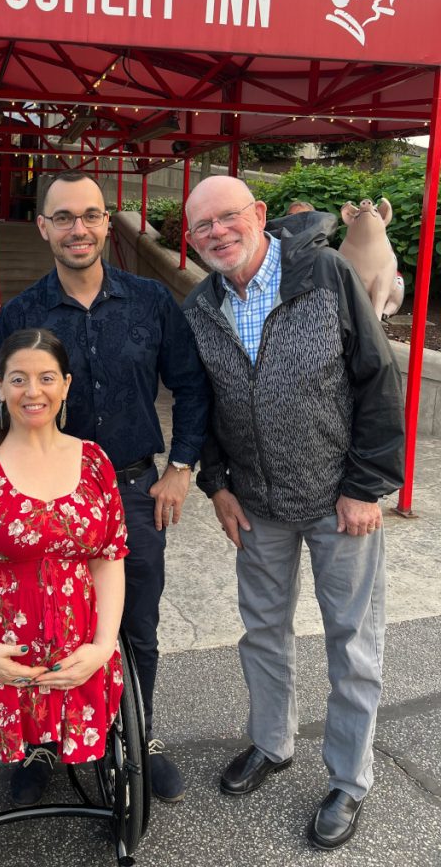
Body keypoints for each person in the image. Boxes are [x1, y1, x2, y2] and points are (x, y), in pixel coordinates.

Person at [182, 175, 404, 851]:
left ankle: (349, 779)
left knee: (352, 643)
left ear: (258, 214)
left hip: (341, 501)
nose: (217, 233)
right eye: (202, 226)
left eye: (227, 217)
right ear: (190, 239)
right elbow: (201, 403)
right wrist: (216, 484)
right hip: (256, 503)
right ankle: (272, 743)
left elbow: (377, 376)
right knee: (263, 633)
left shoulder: (326, 274)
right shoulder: (200, 306)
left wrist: (366, 485)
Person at [0, 171, 209, 803]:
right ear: (43, 227)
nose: (77, 228)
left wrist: (181, 468)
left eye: (89, 215)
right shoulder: (22, 313)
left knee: (135, 622)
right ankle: (42, 743)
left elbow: (191, 386)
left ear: (108, 223)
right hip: (44, 497)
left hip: (134, 489)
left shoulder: (150, 301)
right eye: (63, 217)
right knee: (43, 624)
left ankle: (137, 735)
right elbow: (1, 412)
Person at [0, 328, 127, 794]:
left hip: (77, 655)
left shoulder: (94, 461)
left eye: (46, 378)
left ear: (66, 385)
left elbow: (108, 557)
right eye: (18, 379)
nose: (33, 392)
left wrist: (102, 647)